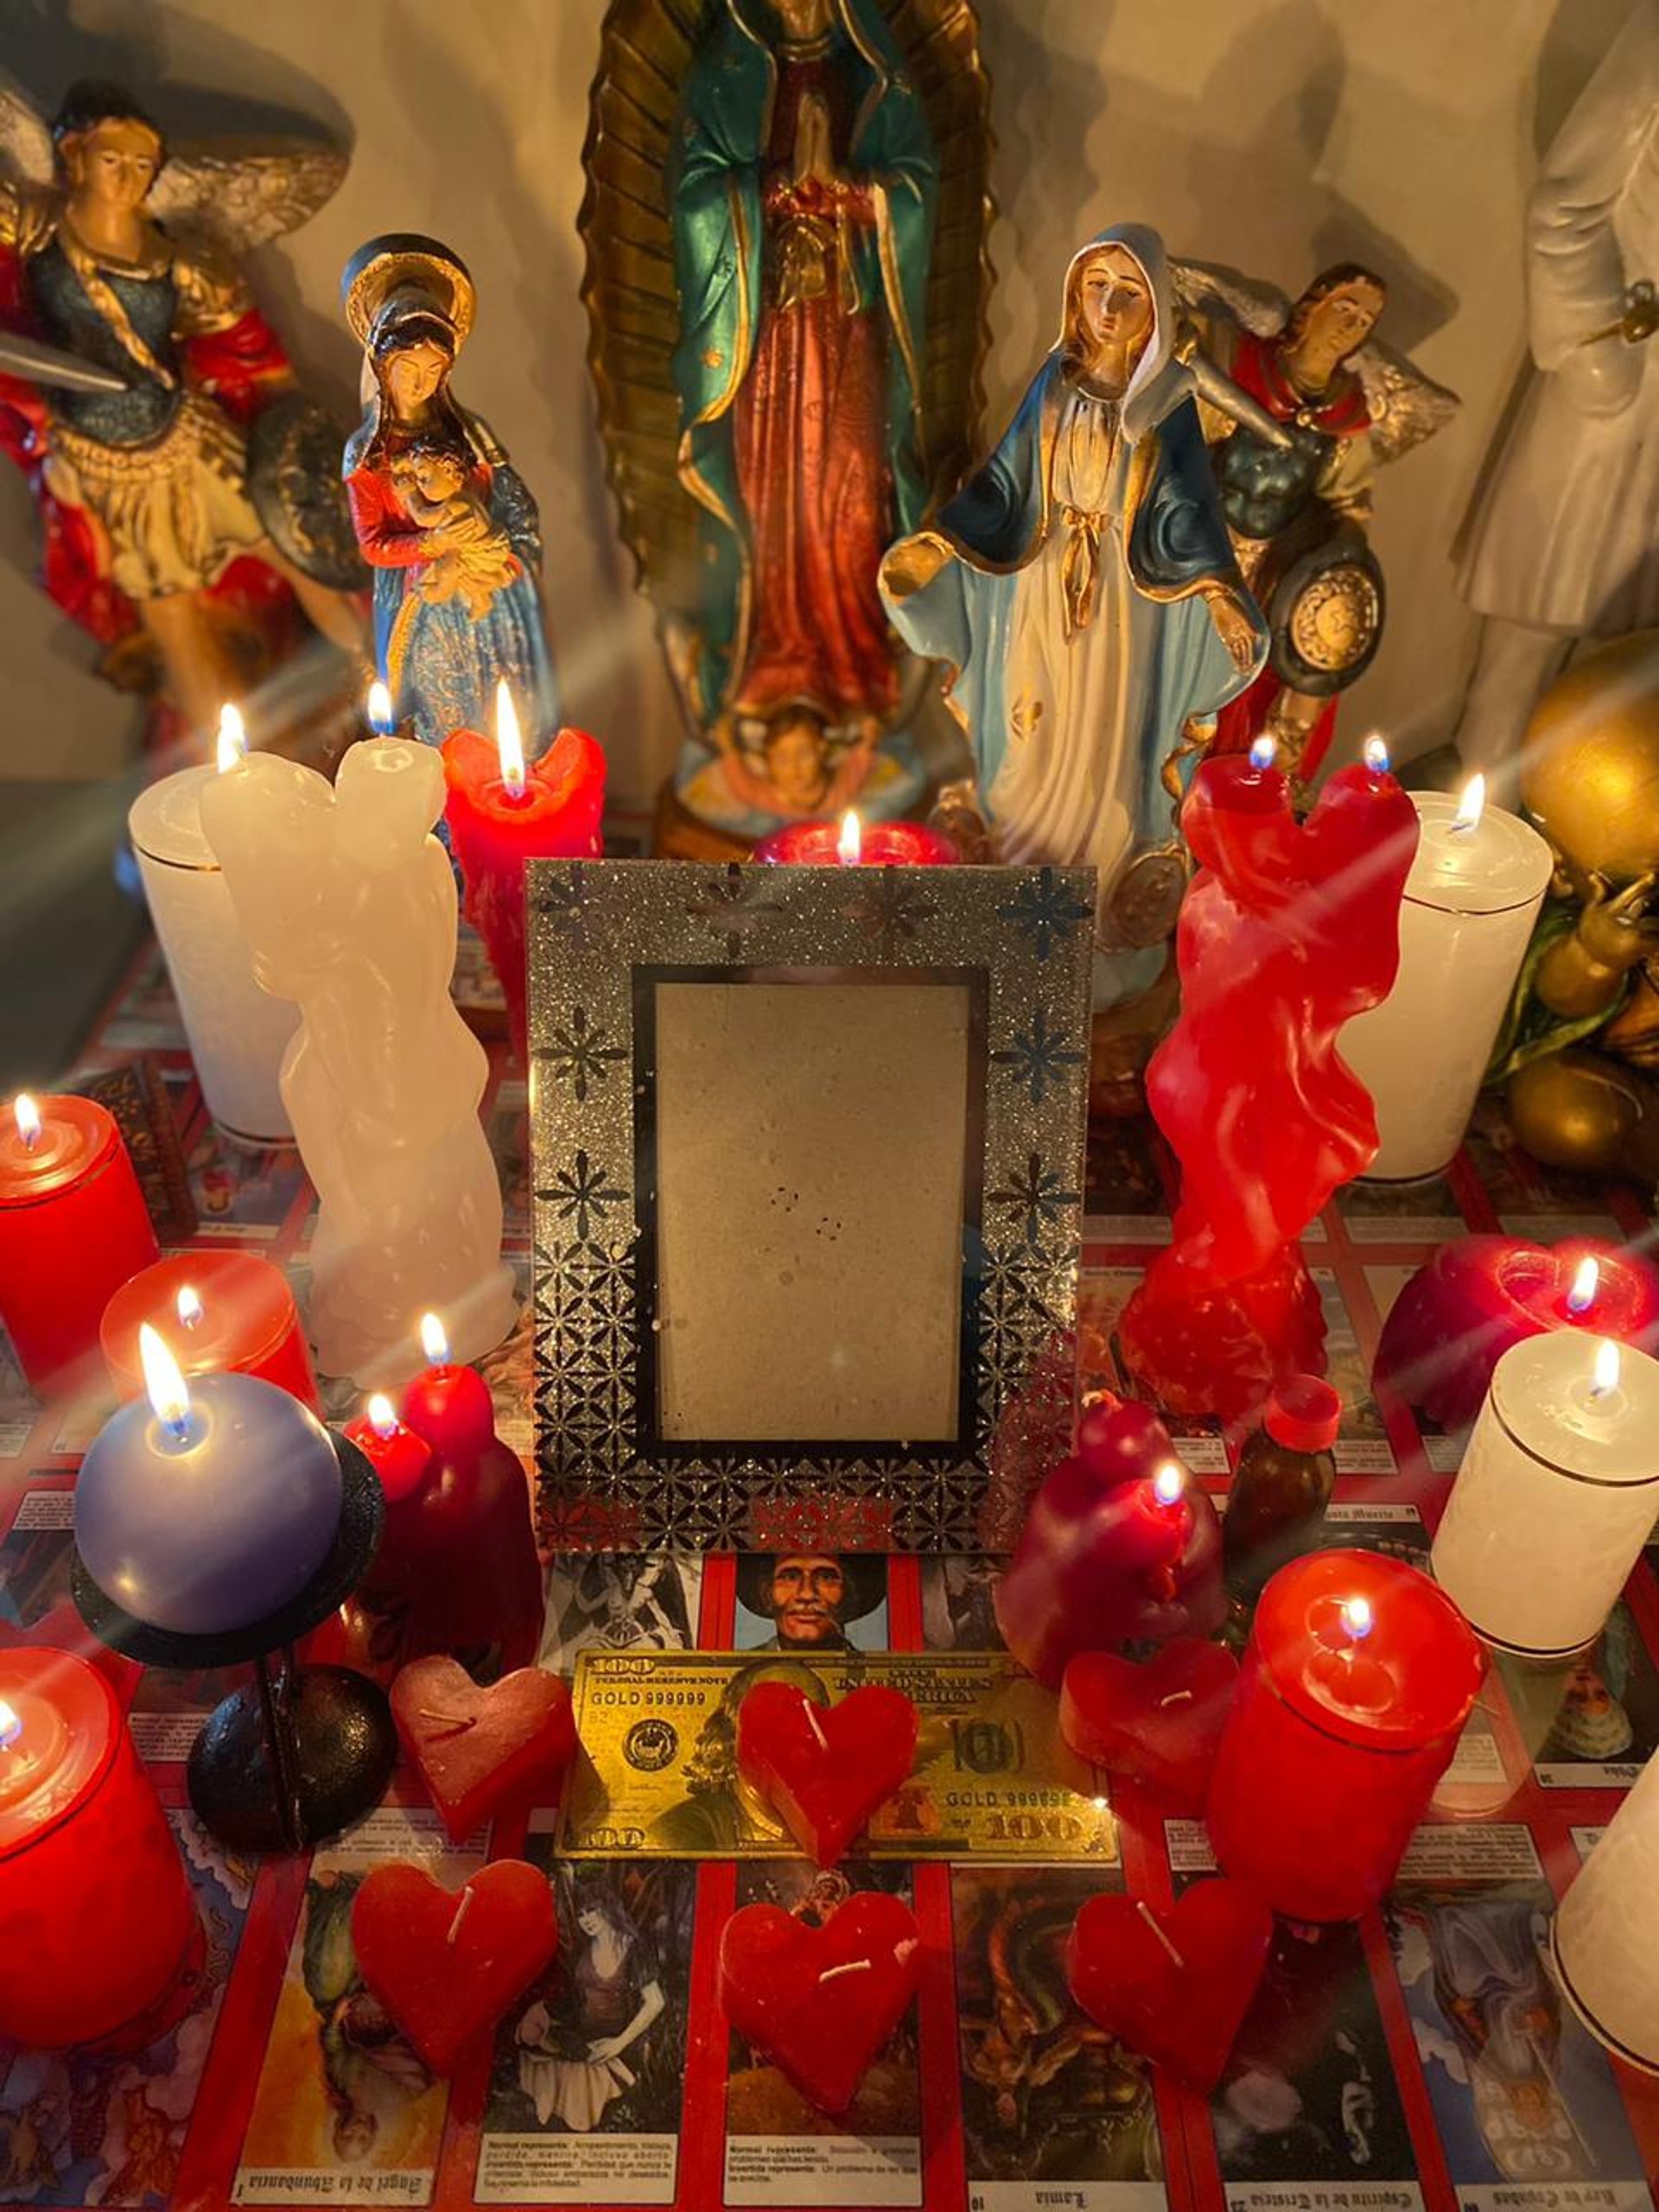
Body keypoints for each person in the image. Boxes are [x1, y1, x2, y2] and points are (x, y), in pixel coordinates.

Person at [881, 224, 1265, 1008]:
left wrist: (1219, 597)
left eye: (1129, 292)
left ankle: (1091, 936)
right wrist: (940, 546)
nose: (1110, 305)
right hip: (1037, 598)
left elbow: (1189, 519)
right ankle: (1012, 905)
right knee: (1025, 738)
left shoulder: (1165, 407)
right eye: (1097, 287)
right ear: (1075, 296)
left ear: (1154, 307)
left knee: (1104, 753)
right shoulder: (1052, 387)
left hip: (1125, 621)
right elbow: (1002, 489)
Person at [0, 80, 364, 741]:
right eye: (114, 159)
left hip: (190, 439)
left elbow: (247, 344)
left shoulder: (181, 261)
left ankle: (376, 678)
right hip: (104, 466)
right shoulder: (34, 233)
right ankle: (226, 781)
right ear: (74, 155)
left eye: (143, 164)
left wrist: (293, 429)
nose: (129, 176)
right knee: (171, 614)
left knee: (293, 549)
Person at [341, 234, 557, 750]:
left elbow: (518, 509)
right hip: (422, 615)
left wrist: (493, 539)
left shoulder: (472, 435)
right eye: (407, 371)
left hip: (490, 605)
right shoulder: (367, 454)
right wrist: (433, 546)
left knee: (504, 719)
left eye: (433, 371)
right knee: (442, 726)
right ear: (381, 367)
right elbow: (372, 545)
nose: (419, 384)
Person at [514, 1885, 665, 2133]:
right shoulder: (583, 1951)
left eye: (591, 1910)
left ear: (607, 1907)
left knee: (578, 2072)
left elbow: (656, 2002)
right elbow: (574, 2000)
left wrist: (618, 2043)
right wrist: (540, 2010)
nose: (586, 1920)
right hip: (582, 2033)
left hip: (617, 2038)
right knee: (531, 2043)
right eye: (581, 1915)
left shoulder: (635, 1948)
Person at [736, 1552, 884, 1649]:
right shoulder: (742, 1673)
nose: (807, 1594)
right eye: (790, 1577)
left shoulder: (870, 1676)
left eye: (826, 1578)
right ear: (767, 1592)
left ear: (848, 1592)